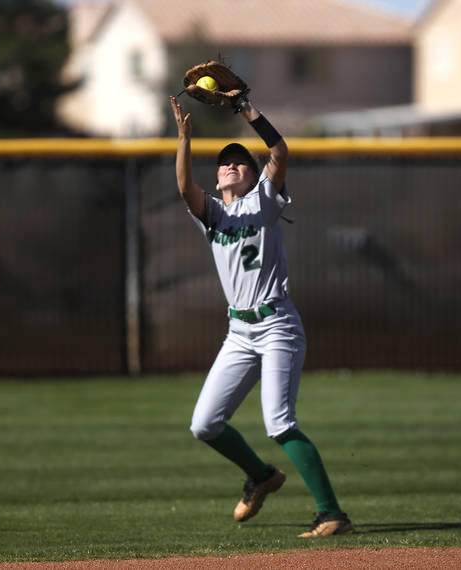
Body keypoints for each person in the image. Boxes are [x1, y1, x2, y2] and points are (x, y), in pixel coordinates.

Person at [169, 93, 353, 537]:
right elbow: (182, 188)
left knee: (279, 421)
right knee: (204, 424)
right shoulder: (212, 214)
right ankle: (263, 477)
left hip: (276, 327)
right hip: (239, 331)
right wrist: (184, 139)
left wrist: (246, 110)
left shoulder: (264, 201)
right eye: (224, 163)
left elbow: (280, 151)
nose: (231, 165)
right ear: (216, 179)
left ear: (252, 177)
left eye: (240, 162)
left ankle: (332, 515)